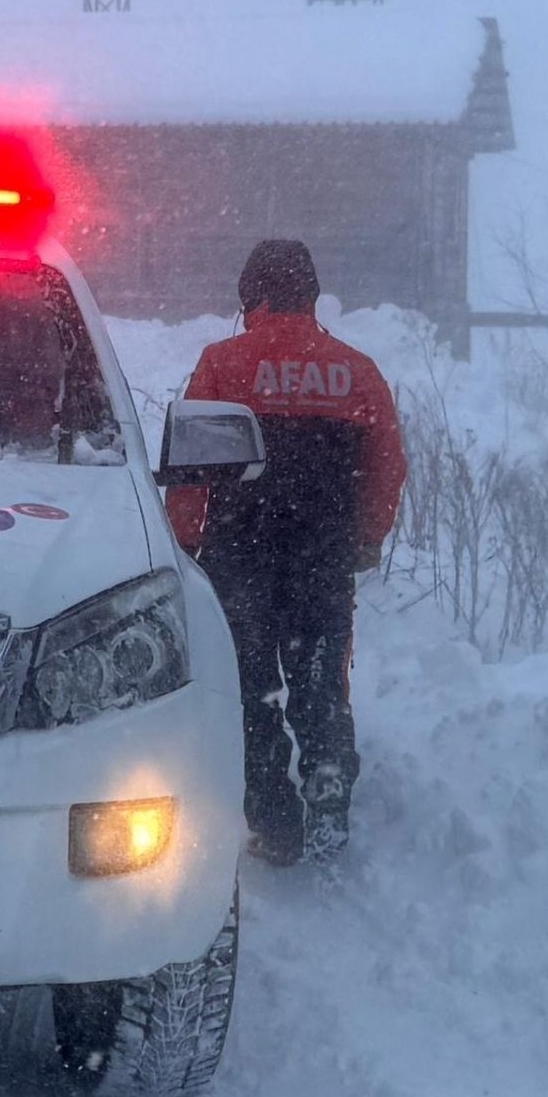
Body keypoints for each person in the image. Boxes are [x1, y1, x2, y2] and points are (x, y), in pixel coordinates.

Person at [166, 238, 407, 863]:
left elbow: (192, 469)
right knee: (321, 678)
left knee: (250, 686)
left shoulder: (223, 363)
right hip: (322, 559)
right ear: (311, 294)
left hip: (237, 555)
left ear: (254, 295)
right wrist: (367, 537)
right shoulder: (357, 371)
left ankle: (273, 818)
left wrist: (186, 540)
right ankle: (327, 784)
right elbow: (387, 465)